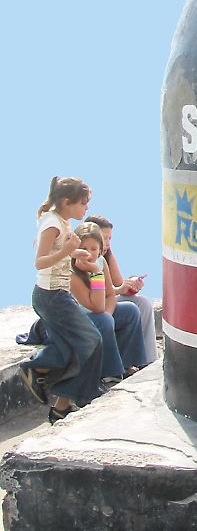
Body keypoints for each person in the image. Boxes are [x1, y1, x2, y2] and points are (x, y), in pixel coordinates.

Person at [18, 177, 105, 424]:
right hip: (52, 296)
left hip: (55, 294)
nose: (86, 208)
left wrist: (76, 253)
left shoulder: (61, 221)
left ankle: (61, 406)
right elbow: (40, 261)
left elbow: (57, 252)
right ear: (67, 202)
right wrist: (68, 251)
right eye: (83, 203)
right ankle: (43, 370)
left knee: (71, 346)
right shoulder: (53, 225)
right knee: (92, 339)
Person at [70, 222, 147, 383]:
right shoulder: (72, 273)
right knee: (104, 320)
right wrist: (95, 273)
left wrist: (109, 314)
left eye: (93, 249)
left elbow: (110, 294)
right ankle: (109, 371)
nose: (89, 254)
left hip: (99, 314)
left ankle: (126, 363)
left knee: (130, 310)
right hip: (77, 319)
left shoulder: (101, 262)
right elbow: (97, 307)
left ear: (100, 249)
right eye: (84, 249)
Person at [85, 213, 158, 365]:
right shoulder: (82, 259)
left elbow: (118, 285)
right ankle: (127, 362)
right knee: (131, 310)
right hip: (91, 306)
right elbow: (93, 294)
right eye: (104, 238)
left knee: (143, 303)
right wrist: (118, 291)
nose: (107, 243)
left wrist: (132, 284)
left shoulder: (106, 256)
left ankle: (147, 360)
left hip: (107, 302)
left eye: (110, 238)